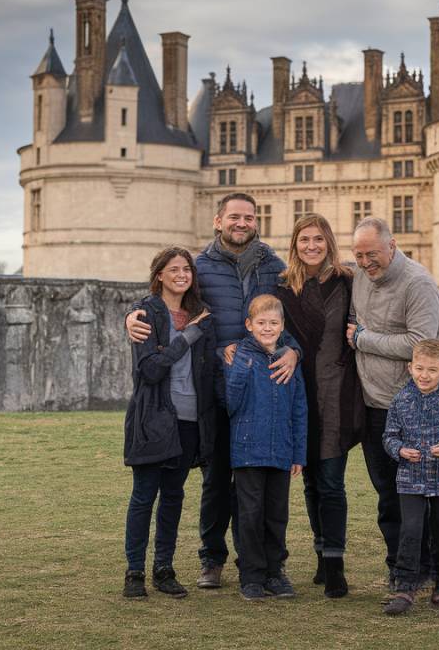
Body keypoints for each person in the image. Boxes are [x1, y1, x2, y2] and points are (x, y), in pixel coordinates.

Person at [125, 193, 300, 589]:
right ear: (218, 221)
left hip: (261, 392)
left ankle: (261, 563)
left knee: (259, 485)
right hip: (213, 391)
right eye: (234, 217)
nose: (242, 223)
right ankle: (213, 558)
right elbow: (164, 295)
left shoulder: (275, 268)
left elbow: (294, 325)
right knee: (217, 481)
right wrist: (131, 314)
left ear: (257, 222)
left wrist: (294, 351)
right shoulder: (199, 266)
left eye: (249, 218)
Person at [346, 216, 439, 588]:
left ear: (392, 245)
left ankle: (425, 566)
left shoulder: (418, 283)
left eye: (372, 253)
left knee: (418, 493)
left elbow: (421, 342)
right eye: (358, 255)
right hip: (374, 407)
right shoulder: (357, 274)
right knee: (387, 495)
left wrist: (364, 339)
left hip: (413, 409)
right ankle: (401, 566)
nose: (365, 262)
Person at [122, 247, 218, 600]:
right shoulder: (146, 312)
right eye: (173, 269)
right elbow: (149, 370)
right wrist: (188, 336)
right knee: (144, 496)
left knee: (174, 496)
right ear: (159, 274)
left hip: (191, 420)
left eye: (187, 269)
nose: (182, 274)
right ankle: (134, 572)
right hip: (155, 417)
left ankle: (164, 568)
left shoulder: (201, 315)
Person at [276, 213, 363, 598]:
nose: (311, 247)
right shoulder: (283, 288)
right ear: (294, 245)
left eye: (318, 239)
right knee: (310, 482)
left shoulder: (347, 281)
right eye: (304, 240)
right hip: (299, 394)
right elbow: (269, 334)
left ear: (329, 241)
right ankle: (320, 555)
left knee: (331, 482)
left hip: (338, 391)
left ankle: (335, 565)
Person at [226, 295, 308, 601]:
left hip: (281, 451)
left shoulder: (289, 360)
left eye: (274, 323)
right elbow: (231, 403)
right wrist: (241, 366)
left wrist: (298, 453)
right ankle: (251, 574)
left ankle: (275, 571)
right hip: (247, 451)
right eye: (261, 323)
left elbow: (299, 409)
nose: (268, 328)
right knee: (250, 513)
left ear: (282, 325)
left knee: (277, 515)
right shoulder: (240, 357)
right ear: (249, 325)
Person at [381, 339, 439, 616]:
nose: (424, 375)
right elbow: (389, 437)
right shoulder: (401, 400)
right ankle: (405, 586)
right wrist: (399, 450)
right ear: (410, 368)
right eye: (419, 368)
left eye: (432, 370)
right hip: (410, 479)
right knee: (410, 530)